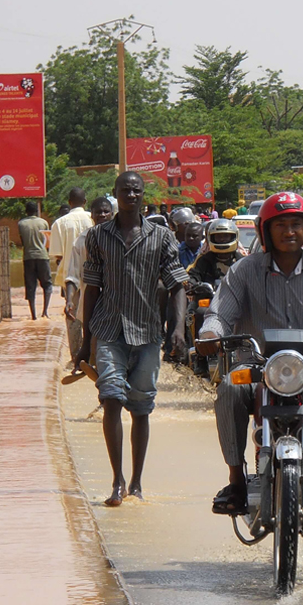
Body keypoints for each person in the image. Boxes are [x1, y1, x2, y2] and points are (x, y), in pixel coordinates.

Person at [193, 192, 303, 533]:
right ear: (265, 232)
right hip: (259, 368)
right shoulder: (244, 271)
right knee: (229, 388)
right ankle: (236, 480)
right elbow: (220, 311)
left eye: (296, 225)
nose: (289, 232)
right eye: (281, 226)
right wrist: (210, 334)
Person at [75, 171, 188, 507]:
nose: (132, 195)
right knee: (111, 398)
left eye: (137, 191)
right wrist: (85, 340)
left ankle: (137, 483)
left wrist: (178, 329)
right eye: (125, 190)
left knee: (140, 409)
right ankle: (117, 481)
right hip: (109, 330)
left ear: (143, 194)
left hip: (148, 332)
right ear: (115, 194)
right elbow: (91, 288)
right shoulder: (97, 236)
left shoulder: (162, 237)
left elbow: (177, 285)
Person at [64, 197, 114, 362]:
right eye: (98, 212)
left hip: (116, 302)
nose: (102, 214)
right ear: (91, 215)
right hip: (91, 301)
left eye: (106, 211)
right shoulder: (82, 241)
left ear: (112, 214)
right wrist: (70, 300)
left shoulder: (122, 239)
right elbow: (72, 274)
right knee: (93, 344)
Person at [49, 187, 92, 288]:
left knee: (72, 303)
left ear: (69, 202)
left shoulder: (59, 223)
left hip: (70, 277)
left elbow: (58, 254)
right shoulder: (93, 218)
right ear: (85, 202)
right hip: (92, 275)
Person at [17, 202, 52, 320]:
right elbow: (47, 241)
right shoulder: (43, 222)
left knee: (30, 286)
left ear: (26, 211)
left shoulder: (21, 224)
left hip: (28, 257)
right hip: (43, 257)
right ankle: (45, 312)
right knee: (47, 284)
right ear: (37, 211)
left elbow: (22, 241)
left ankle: (33, 316)